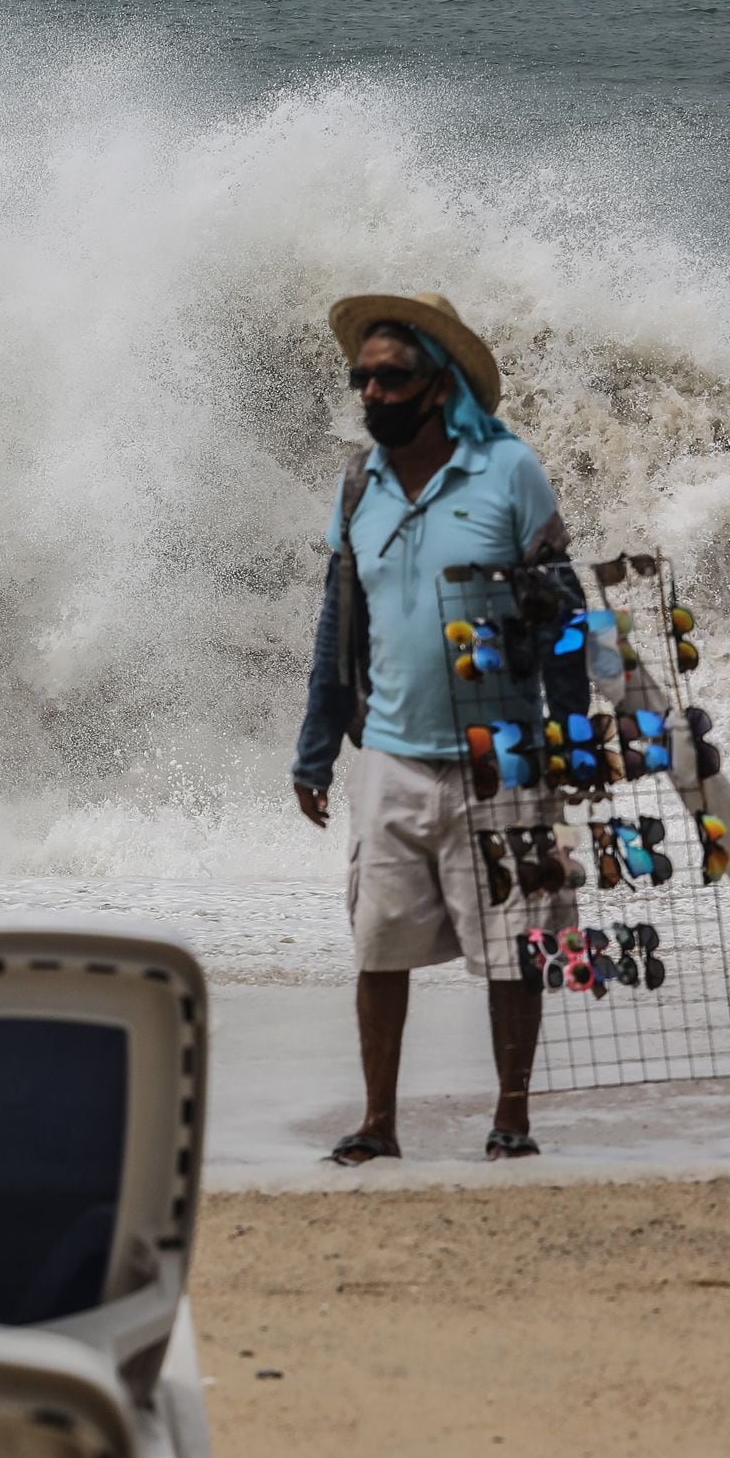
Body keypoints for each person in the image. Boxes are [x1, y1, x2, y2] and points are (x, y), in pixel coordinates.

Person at [292, 293, 576, 1164]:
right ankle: (379, 1122)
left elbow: (566, 609)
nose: (372, 393)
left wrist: (569, 740)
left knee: (513, 947)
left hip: (502, 758)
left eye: (392, 377)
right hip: (391, 755)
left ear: (440, 385)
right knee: (377, 943)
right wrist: (316, 746)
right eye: (362, 378)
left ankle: (513, 1118)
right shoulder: (357, 485)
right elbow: (341, 622)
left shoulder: (511, 473)